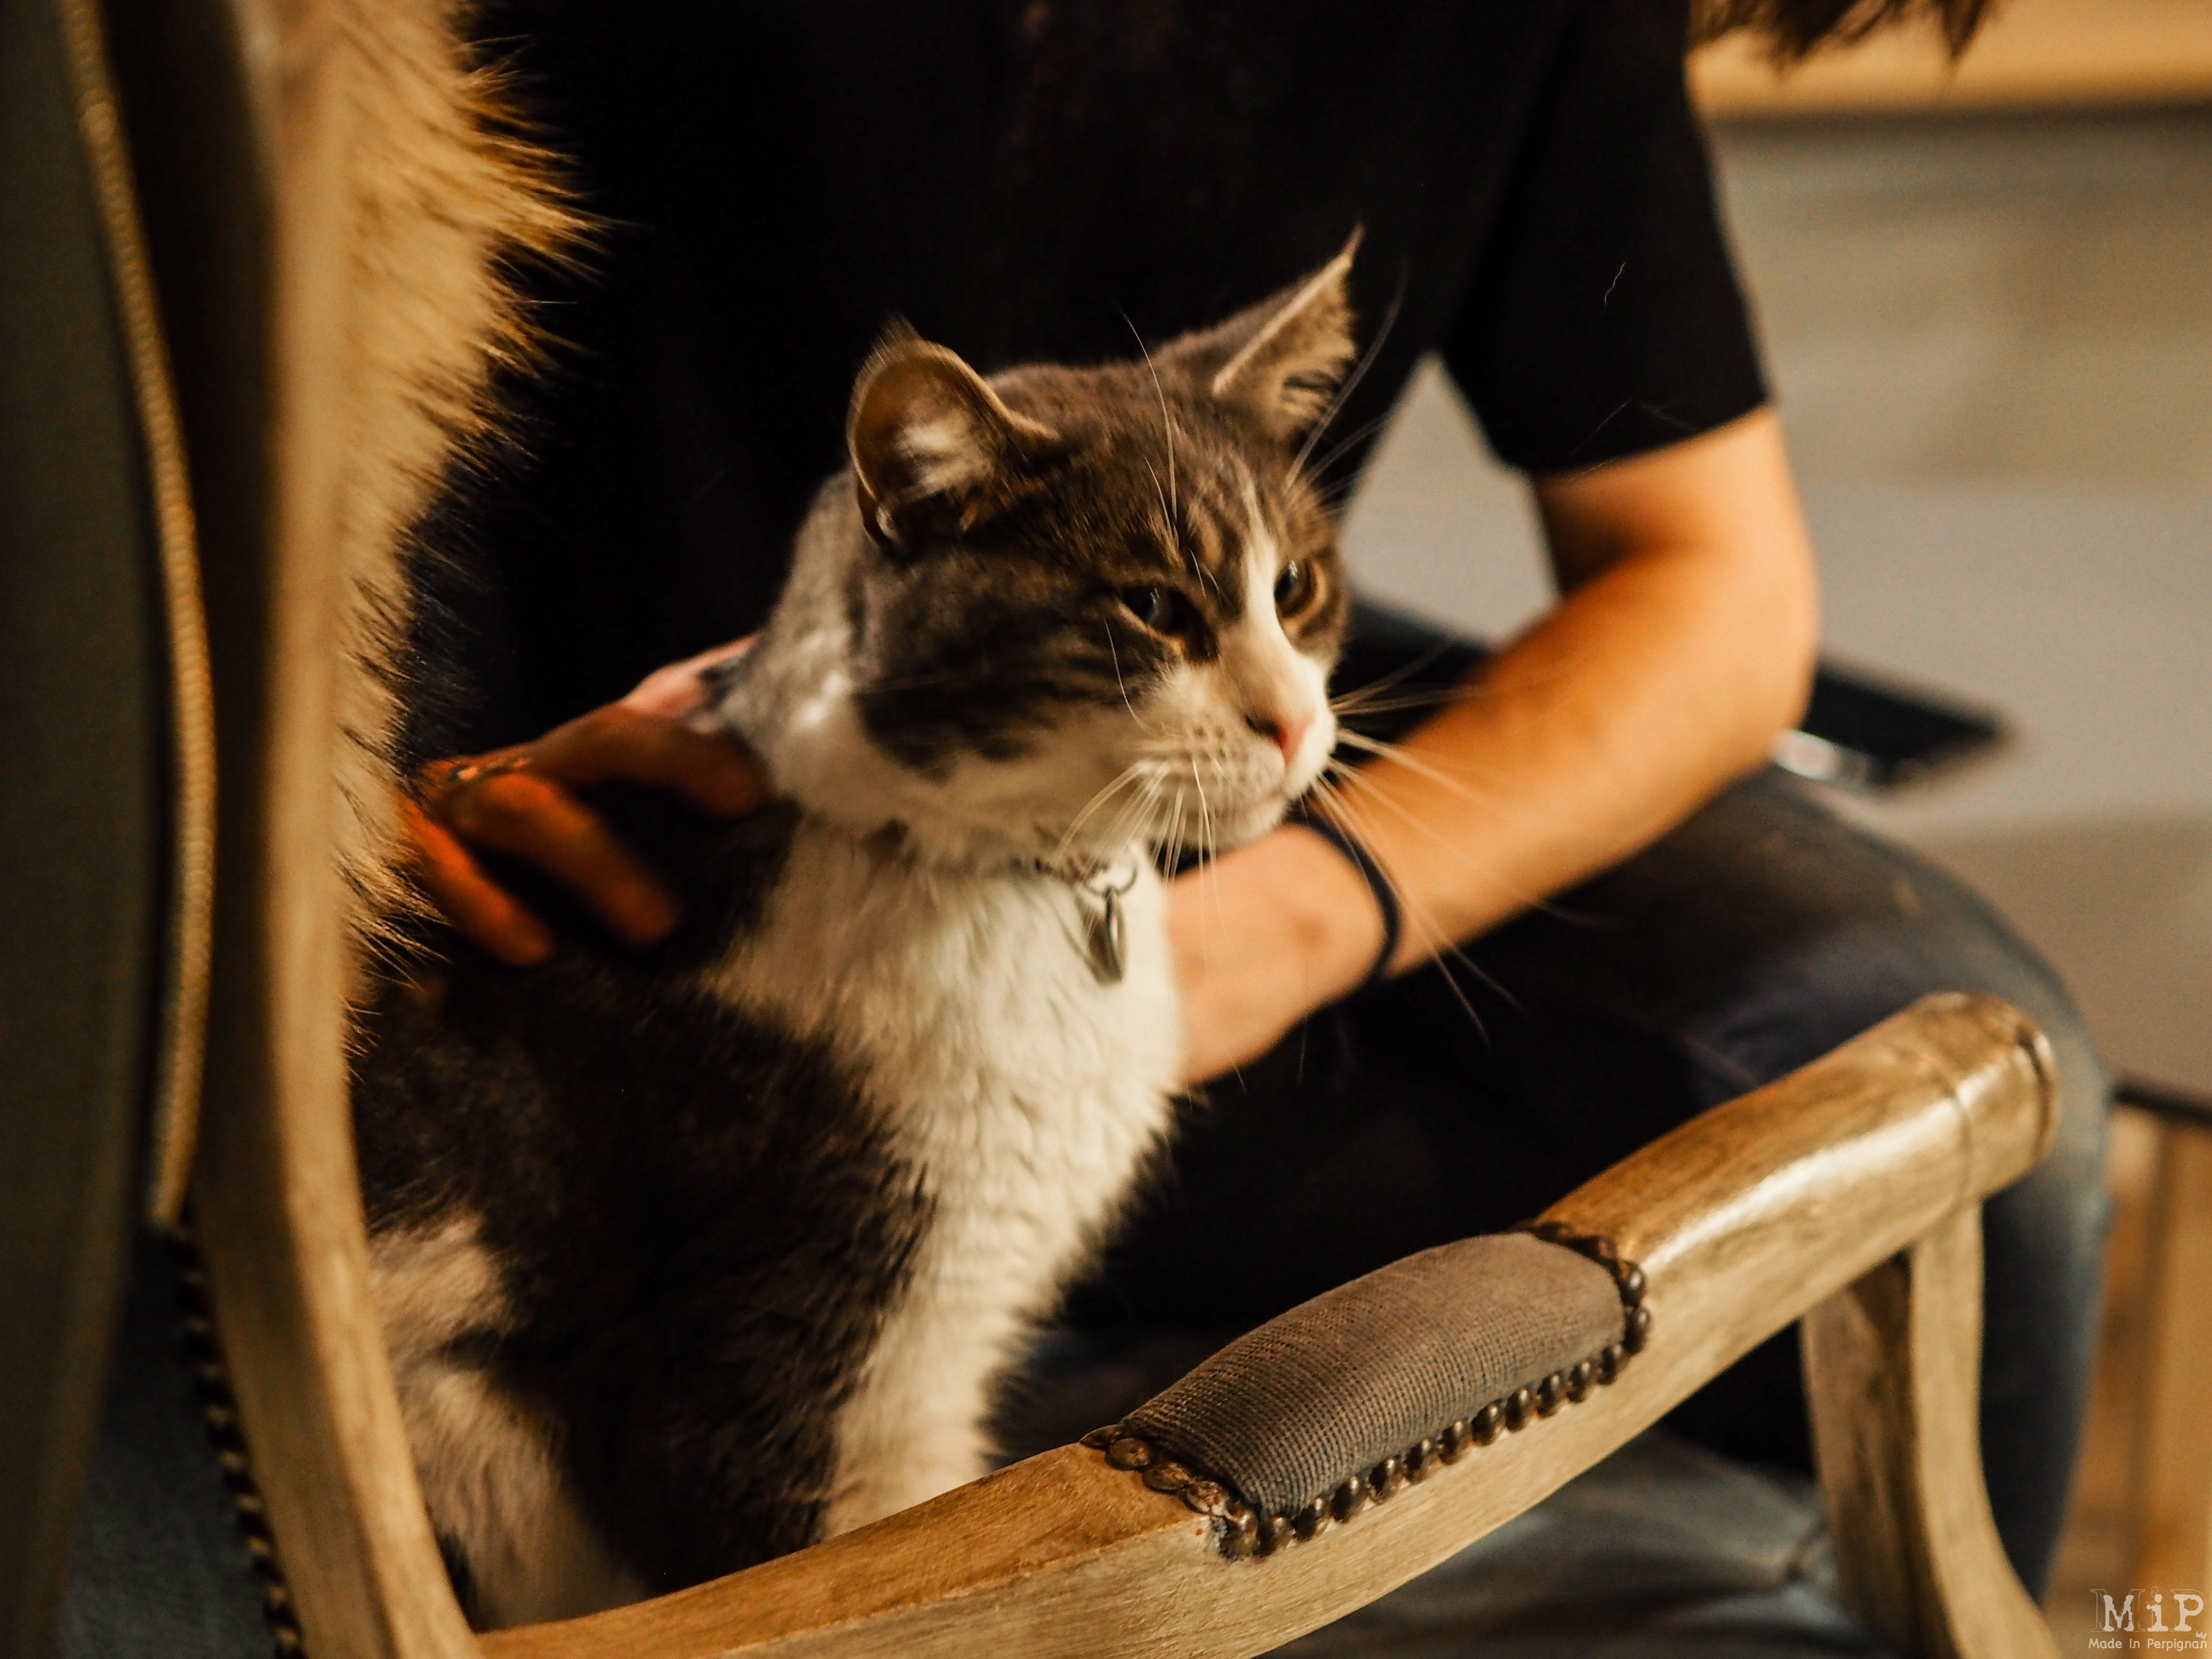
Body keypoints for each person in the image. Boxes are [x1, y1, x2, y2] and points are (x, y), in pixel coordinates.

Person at [403, 0, 2106, 1597]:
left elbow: (1715, 589)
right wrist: (396, 809)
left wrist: (1259, 937)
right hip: (674, 852)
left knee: (1972, 1118)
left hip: (1203, 811)